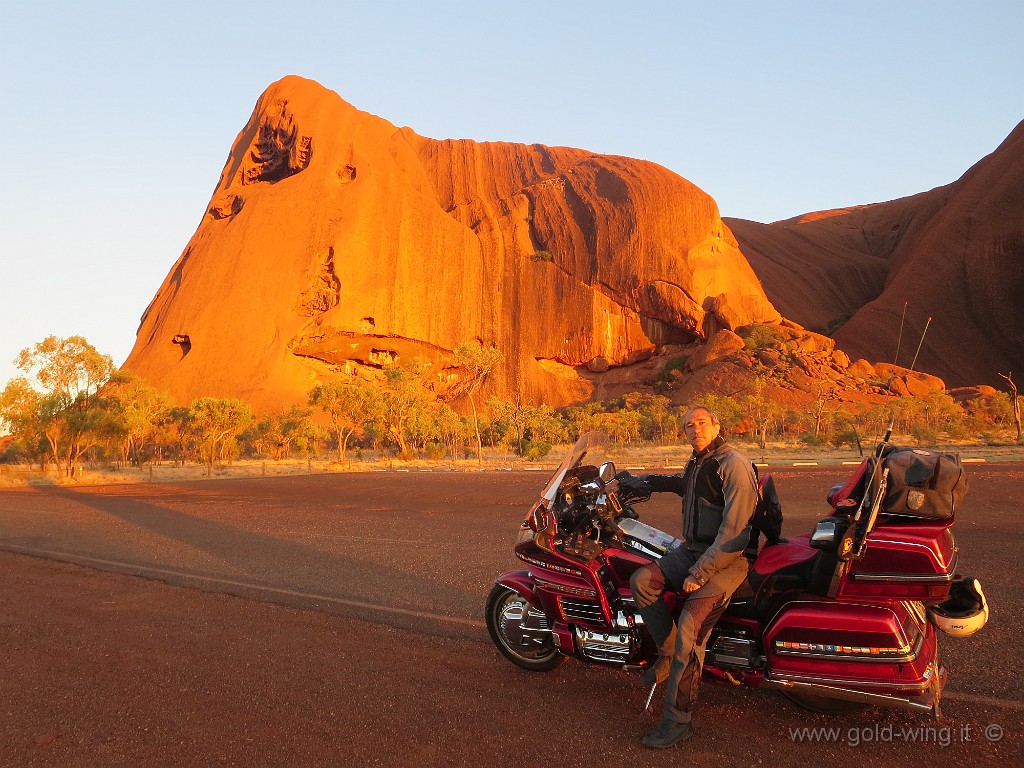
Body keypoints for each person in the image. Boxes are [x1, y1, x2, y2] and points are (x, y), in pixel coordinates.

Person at [625, 405, 758, 749]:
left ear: (716, 425)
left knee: (689, 627)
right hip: (693, 549)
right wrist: (641, 481)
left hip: (728, 560)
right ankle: (667, 655)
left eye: (701, 423)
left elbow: (735, 534)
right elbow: (682, 484)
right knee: (642, 581)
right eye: (688, 425)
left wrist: (700, 573)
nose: (695, 429)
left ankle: (677, 720)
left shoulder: (734, 466)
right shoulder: (699, 462)